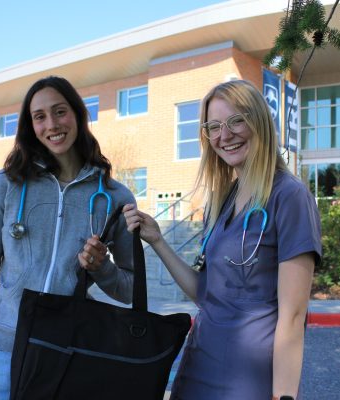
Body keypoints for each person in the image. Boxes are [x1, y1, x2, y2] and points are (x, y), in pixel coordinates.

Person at [123, 80, 322, 400]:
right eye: (213, 126)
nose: (224, 135)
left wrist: (284, 396)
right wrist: (158, 241)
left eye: (235, 121)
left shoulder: (290, 197)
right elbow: (206, 295)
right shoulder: (222, 200)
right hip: (198, 366)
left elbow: (294, 316)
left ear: (258, 121)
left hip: (249, 379)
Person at [0, 76, 136, 400]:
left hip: (68, 353)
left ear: (77, 115)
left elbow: (131, 288)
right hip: (1, 355)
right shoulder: (7, 184)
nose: (52, 124)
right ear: (30, 125)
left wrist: (102, 268)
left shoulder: (114, 197)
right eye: (39, 116)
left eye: (60, 111)